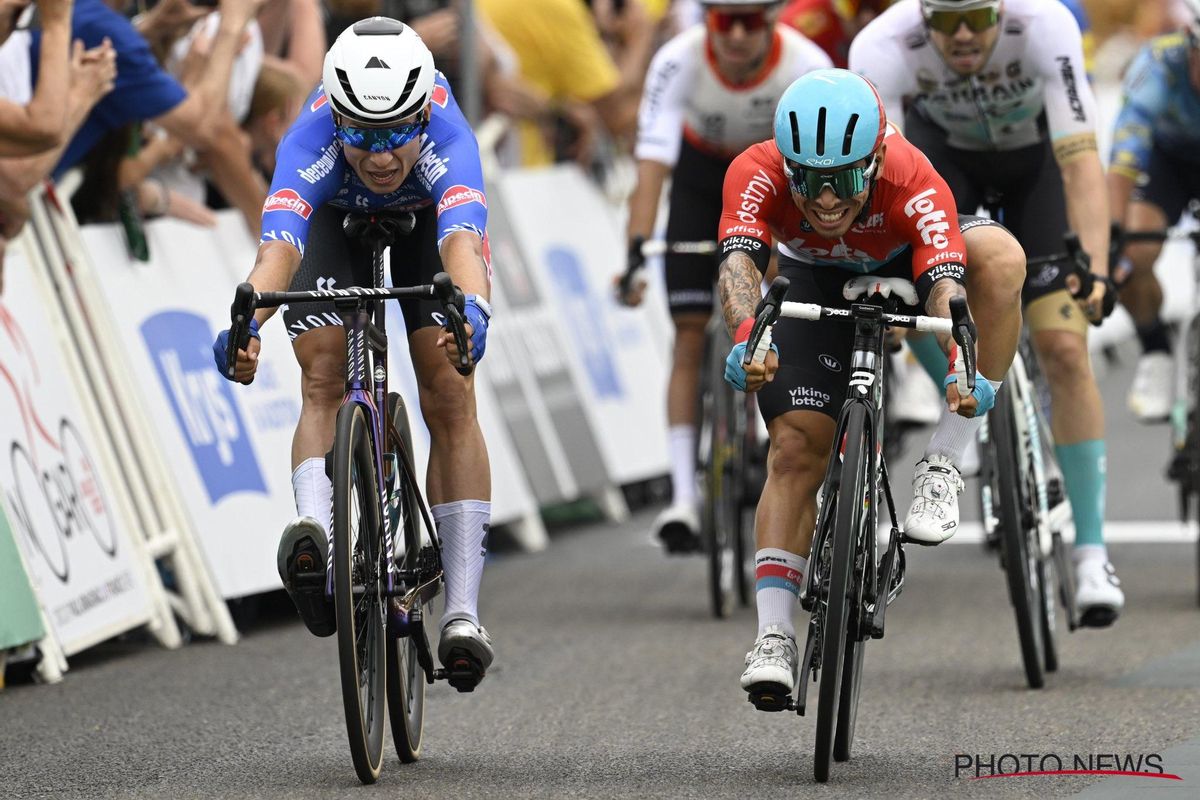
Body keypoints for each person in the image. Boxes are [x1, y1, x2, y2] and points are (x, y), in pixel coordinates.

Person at [718, 69, 1026, 697]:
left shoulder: (912, 177)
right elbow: (739, 264)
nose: (826, 200)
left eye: (845, 180)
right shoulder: (755, 168)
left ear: (877, 156)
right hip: (811, 280)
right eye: (809, 180)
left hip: (903, 264)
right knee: (794, 450)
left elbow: (945, 287)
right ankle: (773, 635)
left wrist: (961, 356)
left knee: (1001, 259)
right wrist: (751, 333)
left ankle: (945, 458)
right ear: (785, 163)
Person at [213, 18, 497, 680]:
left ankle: (461, 609)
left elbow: (462, 239)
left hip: (427, 222)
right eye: (363, 135)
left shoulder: (451, 137)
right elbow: (280, 247)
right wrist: (249, 317)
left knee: (449, 388)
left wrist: (473, 309)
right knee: (324, 378)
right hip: (333, 228)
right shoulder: (308, 139)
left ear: (423, 109)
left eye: (398, 131)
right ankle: (320, 544)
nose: (379, 154)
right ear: (336, 116)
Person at [850, 0, 1125, 626]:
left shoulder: (1045, 25)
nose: (965, 34)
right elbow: (878, 174)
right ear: (922, 19)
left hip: (1037, 171)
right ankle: (964, 406)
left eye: (978, 17)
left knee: (1063, 347)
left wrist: (1099, 268)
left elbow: (1082, 162)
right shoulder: (881, 45)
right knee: (924, 300)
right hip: (943, 170)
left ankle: (1090, 554)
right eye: (945, 22)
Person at [616, 0, 831, 553]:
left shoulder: (804, 63)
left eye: (751, 22)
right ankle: (683, 497)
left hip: (778, 185)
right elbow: (652, 162)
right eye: (723, 21)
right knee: (690, 334)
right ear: (706, 21)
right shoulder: (677, 59)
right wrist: (637, 250)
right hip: (701, 181)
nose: (736, 34)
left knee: (778, 315)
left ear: (773, 21)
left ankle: (769, 437)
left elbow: (819, 172)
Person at [1109, 1, 1200, 423]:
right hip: (1167, 160)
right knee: (1133, 250)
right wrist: (1111, 236)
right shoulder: (1160, 61)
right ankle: (1156, 351)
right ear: (1189, 45)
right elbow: (1126, 154)